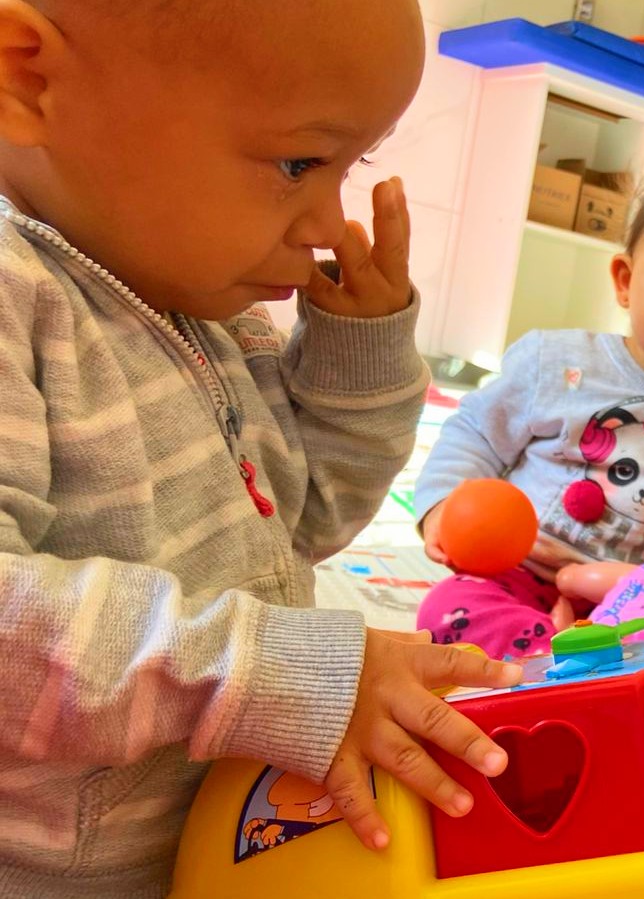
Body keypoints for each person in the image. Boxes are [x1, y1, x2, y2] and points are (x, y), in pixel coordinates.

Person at [0, 2, 526, 895]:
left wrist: (356, 355)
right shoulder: (18, 298)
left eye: (351, 167)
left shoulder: (209, 308)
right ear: (26, 78)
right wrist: (272, 671)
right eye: (297, 164)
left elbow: (304, 518)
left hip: (220, 846)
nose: (329, 222)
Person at [413, 157, 644, 661]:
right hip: (524, 574)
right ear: (624, 279)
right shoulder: (558, 363)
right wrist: (441, 505)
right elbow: (475, 436)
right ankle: (559, 665)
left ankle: (604, 671)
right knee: (450, 610)